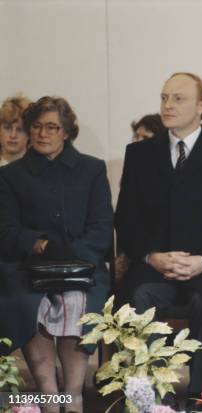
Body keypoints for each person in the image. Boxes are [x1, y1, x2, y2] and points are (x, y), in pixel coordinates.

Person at [114, 72, 202, 409]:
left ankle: (199, 393)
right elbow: (126, 219)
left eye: (178, 98)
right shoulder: (140, 153)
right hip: (156, 267)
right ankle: (148, 393)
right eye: (164, 97)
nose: (167, 104)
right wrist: (152, 255)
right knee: (138, 294)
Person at [0, 96, 113, 413]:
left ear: (66, 132)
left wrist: (67, 253)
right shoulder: (11, 176)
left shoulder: (91, 170)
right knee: (27, 302)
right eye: (36, 126)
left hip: (81, 268)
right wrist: (39, 245)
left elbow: (102, 230)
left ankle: (74, 396)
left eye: (51, 127)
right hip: (26, 268)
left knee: (77, 299)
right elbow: (6, 233)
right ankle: (49, 397)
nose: (42, 133)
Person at [0, 95, 31, 166]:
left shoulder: (41, 169)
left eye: (20, 129)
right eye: (7, 128)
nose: (13, 135)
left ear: (29, 134)